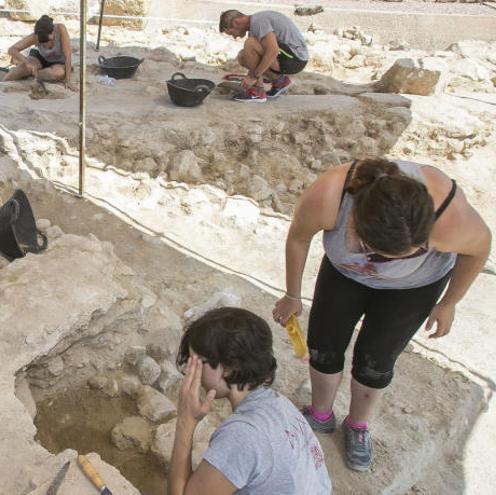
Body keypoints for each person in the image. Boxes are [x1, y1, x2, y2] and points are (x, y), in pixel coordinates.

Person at [272, 158, 491, 472]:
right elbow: (298, 237)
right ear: (360, 227)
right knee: (323, 345)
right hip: (345, 274)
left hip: (414, 288)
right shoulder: (330, 195)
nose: (386, 264)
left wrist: (449, 302)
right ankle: (321, 414)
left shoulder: (449, 216)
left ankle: (358, 425)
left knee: (376, 360)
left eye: (414, 250)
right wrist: (292, 295)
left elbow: (479, 249)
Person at [169, 307, 331, 495]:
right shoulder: (280, 404)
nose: (191, 371)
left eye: (196, 362)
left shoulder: (242, 435)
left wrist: (185, 421)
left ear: (228, 367)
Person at [219, 10, 309, 103]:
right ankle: (280, 81)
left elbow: (273, 51)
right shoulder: (254, 26)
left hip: (296, 58)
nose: (234, 37)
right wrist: (248, 76)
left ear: (236, 22)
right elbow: (255, 59)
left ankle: (258, 91)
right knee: (243, 56)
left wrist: (253, 77)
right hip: (288, 56)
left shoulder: (259, 21)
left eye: (231, 33)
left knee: (250, 43)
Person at [3, 15, 76, 91]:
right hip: (40, 58)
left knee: (58, 73)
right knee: (20, 69)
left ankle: (34, 74)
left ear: (53, 31)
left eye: (49, 41)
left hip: (58, 62)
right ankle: (1, 83)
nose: (47, 45)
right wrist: (27, 62)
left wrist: (68, 81)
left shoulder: (60, 29)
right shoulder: (35, 36)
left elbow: (68, 56)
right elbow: (12, 50)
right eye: (43, 43)